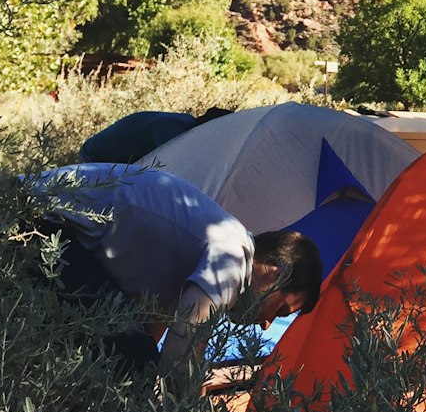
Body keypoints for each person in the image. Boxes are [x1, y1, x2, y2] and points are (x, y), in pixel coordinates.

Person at [30, 162, 323, 378]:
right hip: (37, 225)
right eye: (281, 310)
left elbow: (155, 334)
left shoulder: (197, 264)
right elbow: (182, 349)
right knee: (130, 359)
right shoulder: (234, 254)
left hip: (55, 234)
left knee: (130, 356)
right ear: (273, 274)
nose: (267, 325)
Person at [78, 107, 233, 164]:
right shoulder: (173, 132)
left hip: (107, 158)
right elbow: (169, 166)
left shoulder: (184, 124)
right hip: (96, 158)